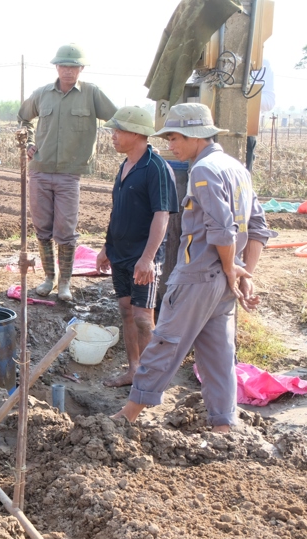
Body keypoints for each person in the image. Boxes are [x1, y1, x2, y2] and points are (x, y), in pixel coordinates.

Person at [112, 103, 277, 433]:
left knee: (165, 342)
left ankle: (127, 416)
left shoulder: (203, 170)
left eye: (174, 137)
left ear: (194, 136)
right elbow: (258, 226)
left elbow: (221, 229)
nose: (170, 145)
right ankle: (223, 426)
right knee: (218, 355)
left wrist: (232, 268)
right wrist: (243, 272)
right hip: (224, 281)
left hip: (199, 274)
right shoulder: (237, 168)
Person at [18, 43, 117, 301]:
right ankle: (48, 278)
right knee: (42, 228)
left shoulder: (91, 94)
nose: (68, 71)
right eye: (63, 66)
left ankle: (64, 283)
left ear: (81, 69)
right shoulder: (42, 94)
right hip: (40, 170)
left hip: (69, 174)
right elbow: (23, 118)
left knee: (66, 229)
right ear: (56, 67)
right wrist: (29, 142)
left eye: (73, 67)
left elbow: (116, 118)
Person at [95, 107, 179, 387]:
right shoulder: (125, 165)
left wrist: (147, 259)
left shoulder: (156, 167)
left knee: (144, 317)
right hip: (120, 253)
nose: (113, 136)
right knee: (126, 310)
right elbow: (117, 210)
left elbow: (162, 214)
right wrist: (107, 247)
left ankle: (150, 379)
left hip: (142, 256)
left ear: (136, 133)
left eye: (117, 131)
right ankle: (134, 370)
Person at [245, 59, 276, 172]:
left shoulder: (261, 63)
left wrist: (241, 96)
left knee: (240, 185)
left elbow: (269, 101)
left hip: (245, 134)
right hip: (208, 134)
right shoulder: (212, 54)